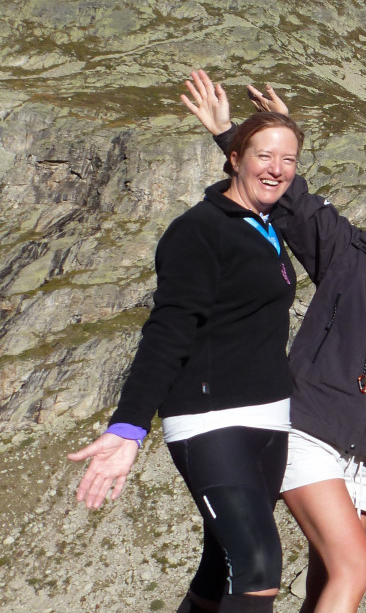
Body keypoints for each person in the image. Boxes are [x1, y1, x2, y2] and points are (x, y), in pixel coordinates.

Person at [181, 70, 366, 613]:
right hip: (311, 429)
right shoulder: (347, 253)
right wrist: (230, 131)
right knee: (355, 565)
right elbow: (288, 196)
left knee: (326, 580)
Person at [69, 108, 305, 613]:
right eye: (264, 155)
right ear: (234, 158)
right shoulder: (198, 230)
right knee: (259, 564)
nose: (276, 169)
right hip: (209, 421)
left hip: (269, 419)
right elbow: (169, 329)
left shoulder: (266, 225)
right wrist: (130, 426)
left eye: (288, 159)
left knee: (219, 565)